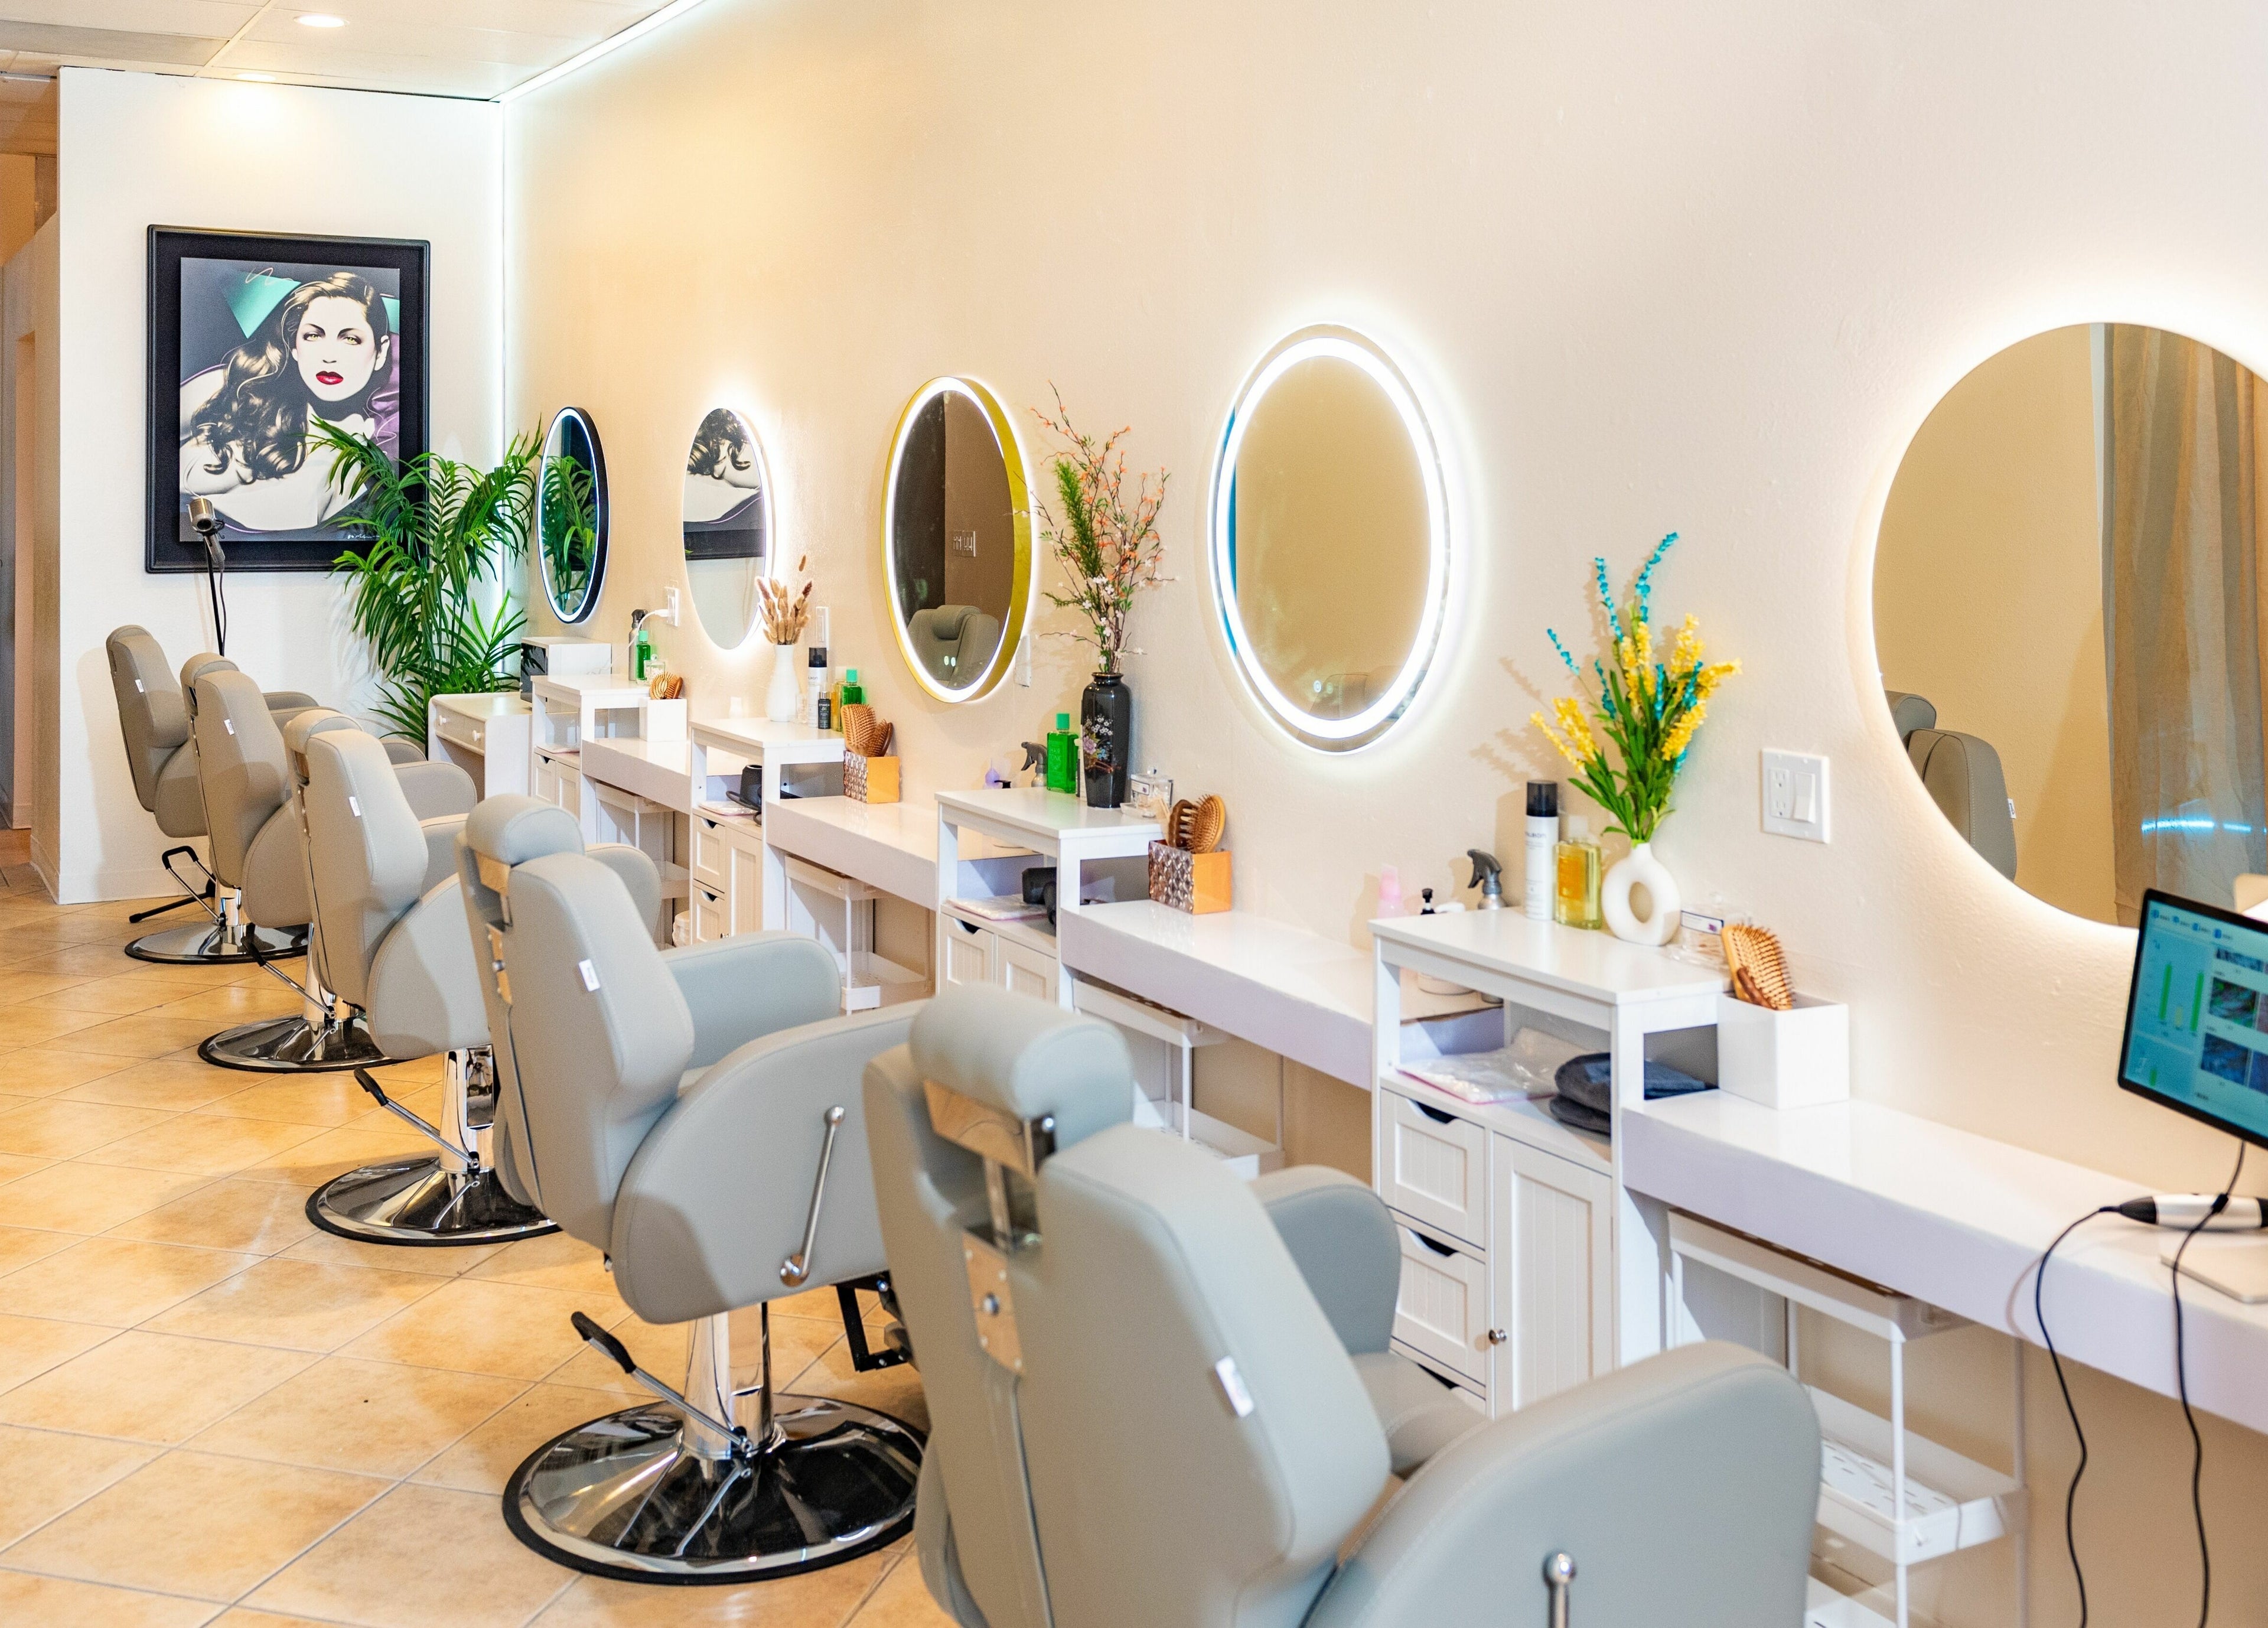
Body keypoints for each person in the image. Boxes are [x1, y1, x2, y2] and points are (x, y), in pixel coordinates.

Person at [178, 271, 395, 533]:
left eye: (350, 339)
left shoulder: (369, 465)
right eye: (313, 336)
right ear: (294, 346)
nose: (329, 356)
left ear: (381, 352)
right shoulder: (238, 386)